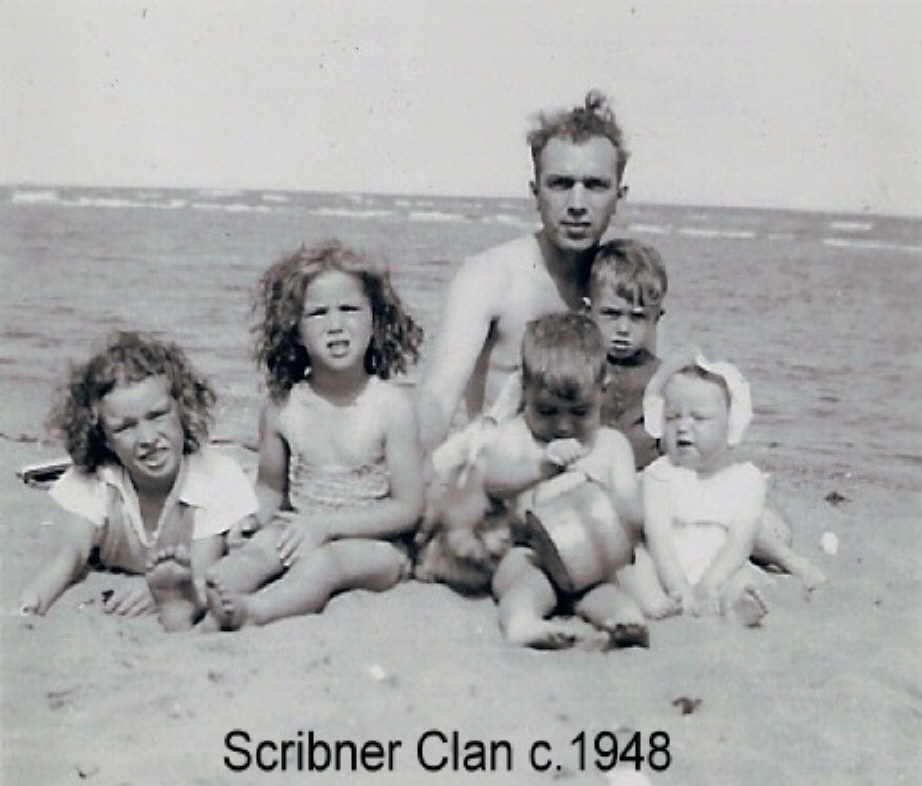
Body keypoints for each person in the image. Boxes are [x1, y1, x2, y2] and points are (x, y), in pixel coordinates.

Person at [202, 240, 425, 630]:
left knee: (326, 564)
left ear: (376, 319)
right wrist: (251, 520)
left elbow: (407, 508)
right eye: (318, 313)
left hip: (378, 546)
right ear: (295, 331)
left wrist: (327, 528)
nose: (336, 324)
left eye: (350, 309)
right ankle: (216, 600)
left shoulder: (391, 405)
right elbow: (271, 489)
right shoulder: (283, 406)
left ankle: (257, 612)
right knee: (256, 552)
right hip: (301, 526)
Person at [417, 90, 630, 452]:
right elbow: (437, 399)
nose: (577, 204)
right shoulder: (490, 277)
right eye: (561, 184)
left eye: (594, 185)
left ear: (618, 196)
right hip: (501, 479)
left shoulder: (622, 286)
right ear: (535, 192)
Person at [426, 314, 648, 649]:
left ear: (604, 389)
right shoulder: (516, 436)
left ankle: (623, 621)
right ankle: (523, 623)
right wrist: (539, 469)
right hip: (528, 553)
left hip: (591, 560)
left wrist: (606, 495)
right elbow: (492, 479)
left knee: (606, 592)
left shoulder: (611, 446)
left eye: (579, 412)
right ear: (524, 390)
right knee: (525, 583)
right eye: (546, 411)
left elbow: (634, 514)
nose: (562, 426)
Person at [18, 331, 259, 632]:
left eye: (157, 415)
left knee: (248, 533)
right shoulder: (96, 481)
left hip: (204, 539)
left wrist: (157, 590)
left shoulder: (213, 477)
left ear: (182, 409)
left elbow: (201, 568)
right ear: (103, 438)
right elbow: (71, 553)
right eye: (125, 428)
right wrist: (33, 602)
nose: (147, 438)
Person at [636, 349, 820, 626]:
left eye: (699, 418)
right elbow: (659, 536)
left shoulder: (745, 480)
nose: (683, 427)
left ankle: (739, 604)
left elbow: (739, 543)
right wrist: (678, 586)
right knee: (638, 565)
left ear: (729, 425)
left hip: (721, 565)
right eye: (673, 417)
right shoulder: (658, 475)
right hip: (668, 568)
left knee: (742, 579)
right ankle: (662, 603)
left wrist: (710, 583)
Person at [589, 238, 666, 470]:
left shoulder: (662, 377)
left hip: (643, 480)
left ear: (656, 319)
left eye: (637, 317)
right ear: (587, 310)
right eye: (611, 314)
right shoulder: (578, 365)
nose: (623, 329)